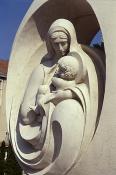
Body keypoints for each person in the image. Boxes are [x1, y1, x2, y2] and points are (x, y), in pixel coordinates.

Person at [20, 19, 89, 151]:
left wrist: (68, 93)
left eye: (63, 43)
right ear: (50, 44)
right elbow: (25, 116)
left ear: (71, 40)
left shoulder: (79, 65)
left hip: (72, 128)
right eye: (56, 44)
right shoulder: (42, 69)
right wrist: (44, 102)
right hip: (43, 121)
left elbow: (86, 90)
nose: (60, 48)